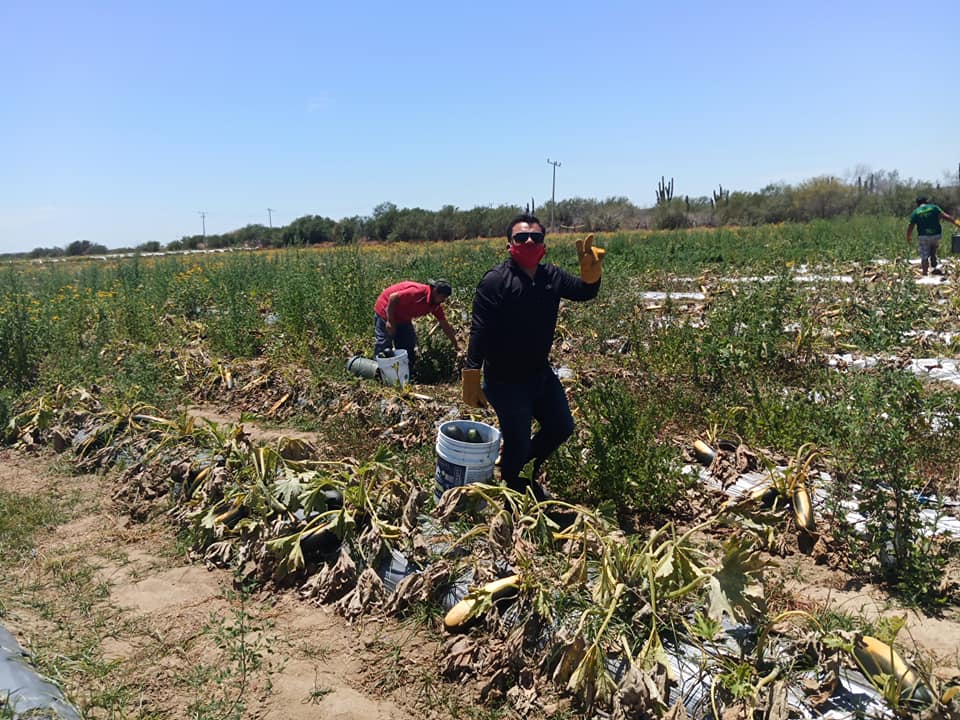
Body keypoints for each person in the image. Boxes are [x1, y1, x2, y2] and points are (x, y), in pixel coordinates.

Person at [461, 213, 605, 506]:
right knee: (518, 439)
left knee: (561, 426)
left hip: (539, 375)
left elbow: (584, 292)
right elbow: (480, 328)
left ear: (544, 245)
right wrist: (472, 373)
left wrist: (592, 276)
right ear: (508, 245)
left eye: (535, 237)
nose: (528, 241)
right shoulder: (496, 281)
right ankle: (515, 494)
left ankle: (520, 472)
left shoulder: (552, 276)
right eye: (521, 237)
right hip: (505, 380)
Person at [374, 279, 458, 369]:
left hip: (403, 317)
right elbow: (393, 297)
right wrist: (390, 321)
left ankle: (405, 373)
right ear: (435, 292)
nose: (444, 300)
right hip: (386, 310)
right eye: (443, 297)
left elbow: (444, 324)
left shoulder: (435, 305)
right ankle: (378, 372)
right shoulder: (418, 292)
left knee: (408, 344)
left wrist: (456, 345)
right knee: (384, 344)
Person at [906, 197, 960, 276]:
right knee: (933, 246)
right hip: (936, 235)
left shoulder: (916, 212)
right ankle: (933, 255)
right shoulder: (934, 208)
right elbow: (945, 216)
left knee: (924, 256)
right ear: (926, 202)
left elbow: (911, 226)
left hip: (923, 236)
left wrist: (908, 236)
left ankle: (925, 274)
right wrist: (956, 222)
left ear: (917, 204)